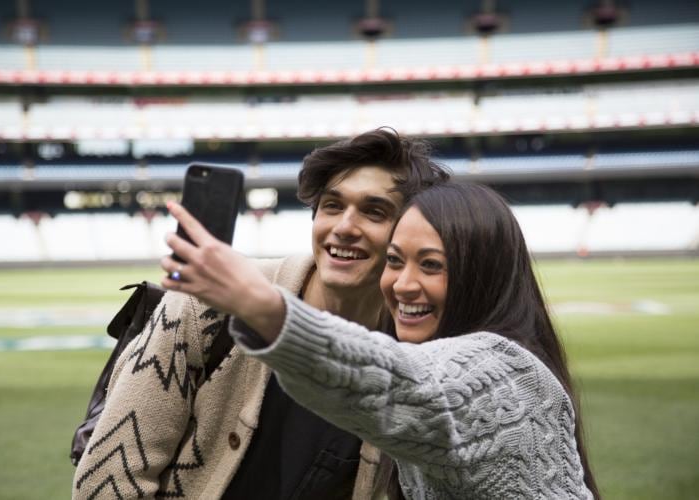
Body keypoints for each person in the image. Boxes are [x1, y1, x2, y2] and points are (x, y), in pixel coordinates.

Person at [72, 128, 449, 499]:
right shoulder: (205, 302)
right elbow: (107, 482)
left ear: (410, 233)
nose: (345, 227)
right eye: (332, 206)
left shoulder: (419, 348)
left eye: (375, 211)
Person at [160, 182, 600, 499]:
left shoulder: (509, 375)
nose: (403, 285)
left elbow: (401, 385)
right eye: (395, 261)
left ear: (481, 275)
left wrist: (264, 305)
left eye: (431, 265)